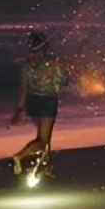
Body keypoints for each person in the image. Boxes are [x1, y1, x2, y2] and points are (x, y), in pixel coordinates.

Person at [9, 31, 88, 178]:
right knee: (43, 141)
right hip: (48, 102)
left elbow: (23, 91)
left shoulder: (26, 67)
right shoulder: (53, 62)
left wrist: (19, 110)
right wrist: (82, 46)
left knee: (44, 137)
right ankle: (19, 156)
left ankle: (47, 166)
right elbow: (73, 60)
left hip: (33, 102)